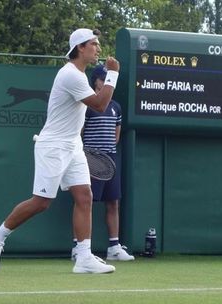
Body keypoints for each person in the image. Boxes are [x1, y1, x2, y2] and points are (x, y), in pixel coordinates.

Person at [0, 28, 120, 274]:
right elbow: (100, 105)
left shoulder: (79, 75)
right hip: (53, 145)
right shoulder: (70, 75)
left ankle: (84, 257)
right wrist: (112, 74)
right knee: (42, 202)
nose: (98, 48)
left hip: (73, 145)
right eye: (94, 44)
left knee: (84, 196)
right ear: (80, 47)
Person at [71, 65, 134, 261]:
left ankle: (114, 247)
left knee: (113, 202)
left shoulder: (116, 106)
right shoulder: (87, 105)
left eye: (109, 78)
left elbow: (115, 137)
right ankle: (77, 247)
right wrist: (89, 156)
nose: (107, 81)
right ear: (96, 81)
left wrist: (106, 158)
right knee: (84, 201)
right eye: (104, 78)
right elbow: (78, 134)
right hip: (89, 160)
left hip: (111, 160)